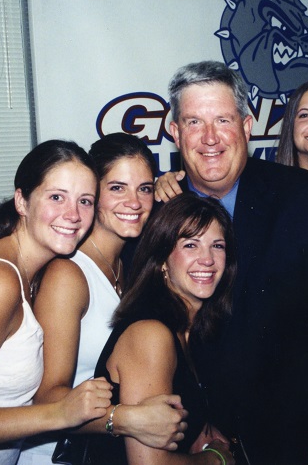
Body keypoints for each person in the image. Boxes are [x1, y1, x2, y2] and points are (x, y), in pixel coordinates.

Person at [154, 61, 308, 465]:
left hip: (295, 437)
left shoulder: (307, 196)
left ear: (247, 126)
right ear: (175, 131)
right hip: (196, 440)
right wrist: (195, 422)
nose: (210, 138)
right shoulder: (156, 210)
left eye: (223, 120)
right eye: (194, 122)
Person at [18, 133, 188, 464]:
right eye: (117, 188)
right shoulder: (68, 275)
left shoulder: (128, 267)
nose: (135, 202)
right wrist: (127, 418)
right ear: (93, 194)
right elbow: (48, 398)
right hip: (57, 455)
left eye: (144, 188)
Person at [0, 140, 111, 464]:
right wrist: (59, 414)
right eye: (56, 197)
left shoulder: (27, 273)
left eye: (85, 201)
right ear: (22, 201)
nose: (73, 214)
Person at [87, 194, 235, 465]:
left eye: (217, 245)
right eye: (191, 245)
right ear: (162, 261)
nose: (207, 259)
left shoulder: (193, 329)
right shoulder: (151, 335)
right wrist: (218, 459)